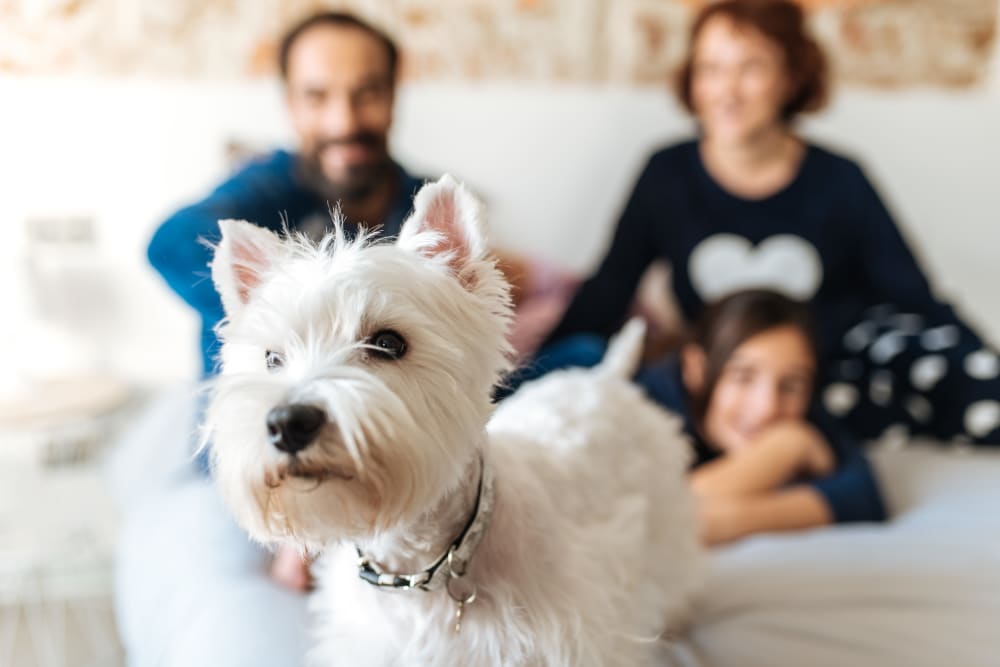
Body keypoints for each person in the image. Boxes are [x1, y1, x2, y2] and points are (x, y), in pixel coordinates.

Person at [544, 0, 1000, 446]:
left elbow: (913, 297)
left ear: (791, 77)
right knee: (580, 361)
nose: (728, 90)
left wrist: (979, 361)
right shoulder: (666, 173)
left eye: (751, 68)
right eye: (711, 68)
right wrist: (538, 366)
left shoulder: (841, 178)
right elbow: (608, 289)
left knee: (951, 374)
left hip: (821, 373)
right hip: (723, 378)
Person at [636, 290, 885, 546]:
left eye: (791, 384)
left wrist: (732, 520)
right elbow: (647, 511)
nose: (766, 407)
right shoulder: (643, 404)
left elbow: (865, 500)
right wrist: (788, 447)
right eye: (743, 376)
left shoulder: (805, 410)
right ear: (695, 368)